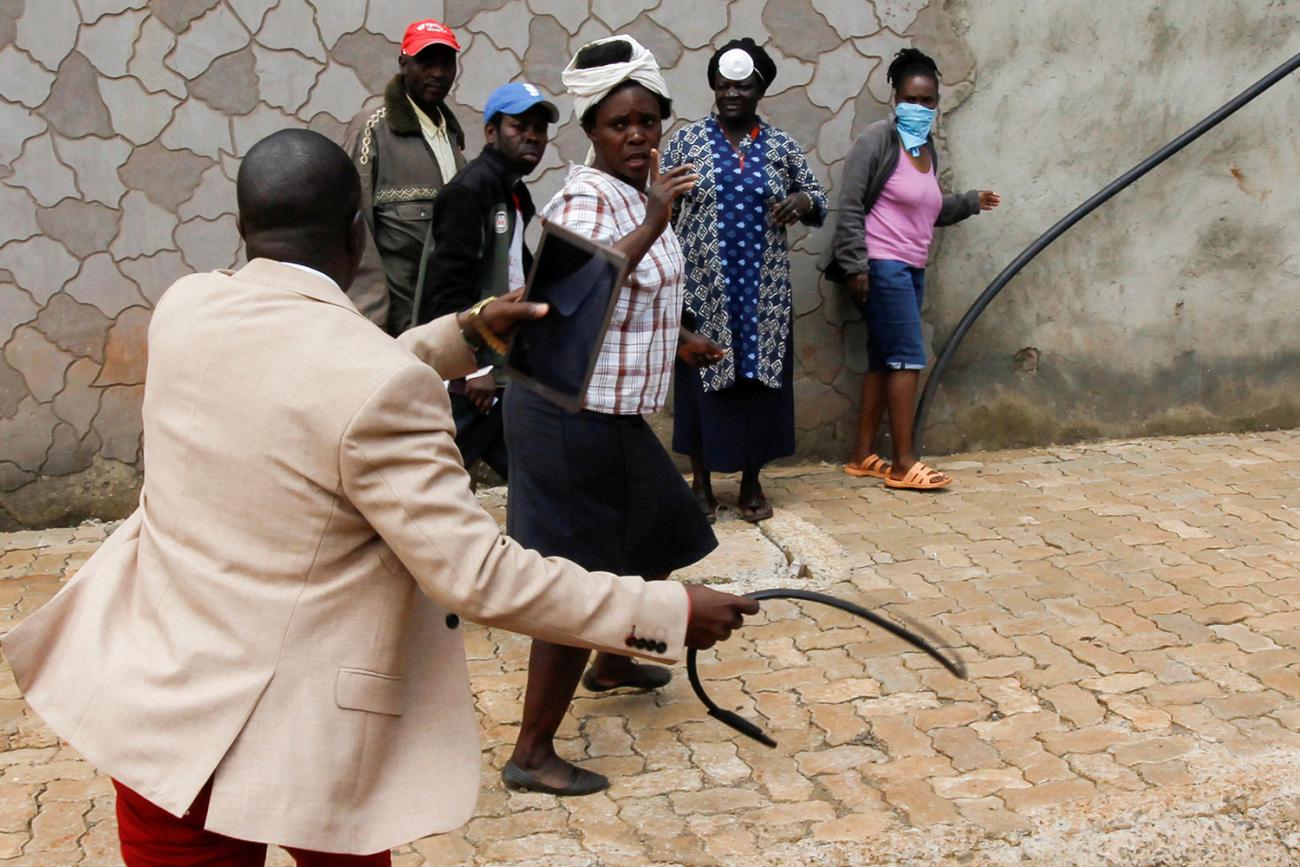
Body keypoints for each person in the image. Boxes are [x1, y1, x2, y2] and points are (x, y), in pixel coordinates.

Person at [0, 129, 758, 862]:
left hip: (156, 717)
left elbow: (318, 383)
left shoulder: (186, 308)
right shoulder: (375, 387)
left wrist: (467, 330)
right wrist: (663, 610)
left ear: (241, 226)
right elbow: (479, 574)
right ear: (356, 235)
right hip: (300, 740)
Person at [502, 35, 726, 797]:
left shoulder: (638, 193)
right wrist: (659, 218)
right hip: (563, 417)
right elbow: (582, 291)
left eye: (648, 121)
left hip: (612, 411)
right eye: (618, 124)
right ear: (590, 131)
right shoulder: (583, 201)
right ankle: (531, 752)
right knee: (574, 586)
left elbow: (638, 299)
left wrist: (682, 338)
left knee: (660, 528)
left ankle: (616, 656)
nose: (638, 136)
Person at [662, 38, 828, 523]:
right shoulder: (687, 143)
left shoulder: (780, 147)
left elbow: (815, 195)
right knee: (701, 388)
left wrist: (802, 203)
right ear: (713, 84)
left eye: (744, 84)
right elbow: (662, 208)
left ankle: (752, 482)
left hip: (763, 295)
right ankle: (701, 485)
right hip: (703, 292)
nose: (733, 92)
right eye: (724, 82)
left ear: (760, 89)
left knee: (757, 388)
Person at [828, 48, 1000, 490]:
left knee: (884, 361)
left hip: (912, 266)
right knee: (906, 357)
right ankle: (904, 464)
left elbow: (930, 210)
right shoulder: (876, 141)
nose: (920, 108)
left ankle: (863, 454)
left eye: (929, 101)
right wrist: (855, 266)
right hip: (882, 266)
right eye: (912, 98)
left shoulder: (926, 150)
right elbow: (848, 206)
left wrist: (970, 202)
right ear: (895, 97)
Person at [414, 81, 559, 480]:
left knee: (527, 471)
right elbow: (446, 289)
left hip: (503, 364)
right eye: (519, 125)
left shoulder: (513, 191)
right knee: (438, 473)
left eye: (539, 128)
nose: (532, 136)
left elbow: (516, 269)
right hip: (473, 375)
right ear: (491, 132)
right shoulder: (469, 191)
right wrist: (471, 369)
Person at [343, 18, 466, 335]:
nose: (437, 73)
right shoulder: (373, 127)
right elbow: (353, 225)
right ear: (403, 63)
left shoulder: (450, 135)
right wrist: (369, 320)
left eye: (446, 62)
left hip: (440, 322)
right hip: (390, 326)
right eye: (426, 61)